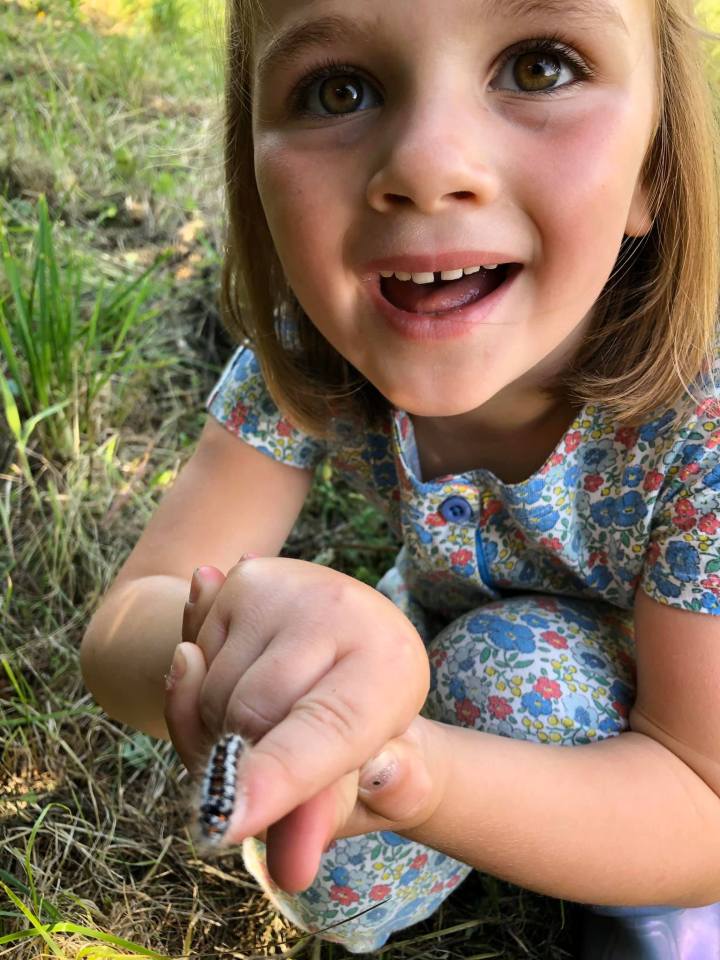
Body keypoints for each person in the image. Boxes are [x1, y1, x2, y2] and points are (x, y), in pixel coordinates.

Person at [81, 0, 720, 955]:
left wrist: (425, 778)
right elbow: (126, 624)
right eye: (340, 90)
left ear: (655, 165)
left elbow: (706, 798)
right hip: (426, 639)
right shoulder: (308, 350)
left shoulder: (702, 421)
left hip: (678, 717)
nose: (426, 165)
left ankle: (638, 880)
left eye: (539, 68)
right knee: (321, 867)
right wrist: (235, 637)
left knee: (522, 675)